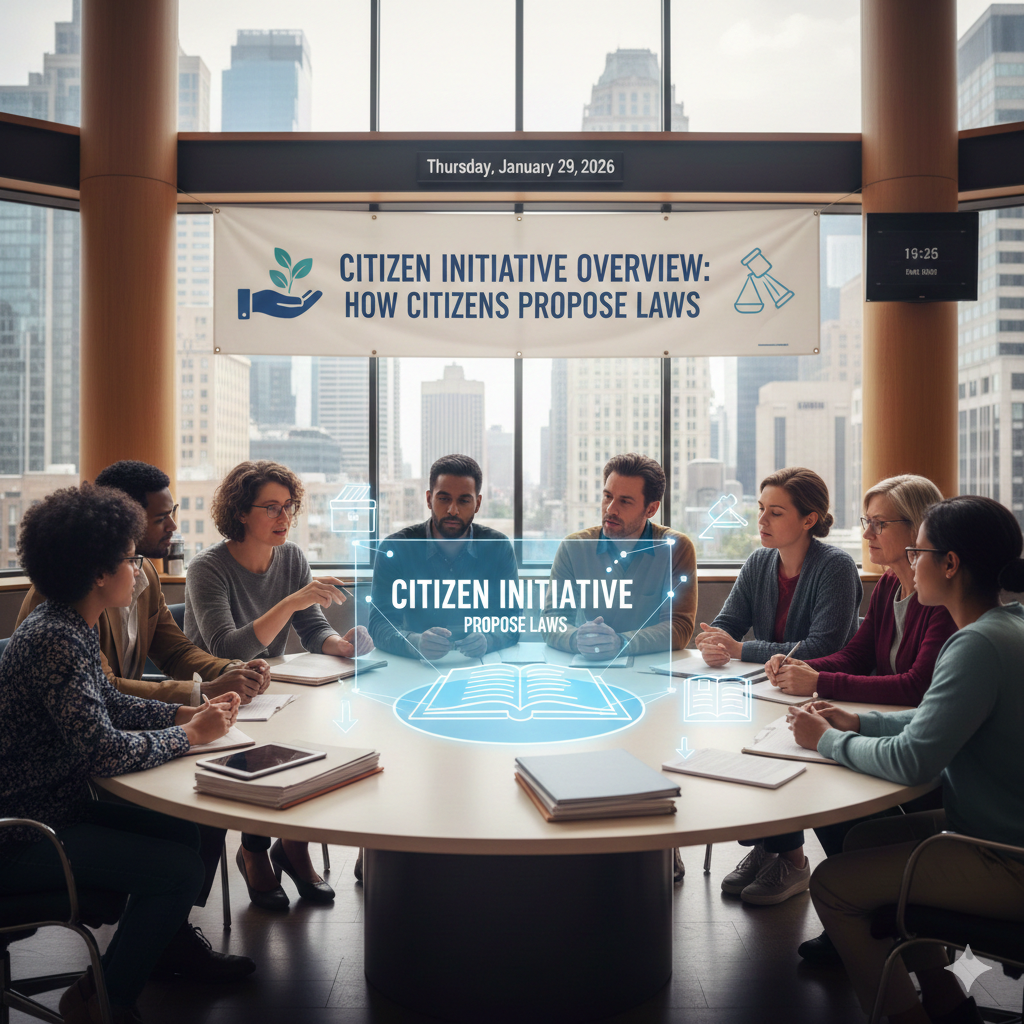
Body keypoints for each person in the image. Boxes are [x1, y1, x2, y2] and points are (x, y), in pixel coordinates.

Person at [0, 483, 240, 1024]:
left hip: (55, 807)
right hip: (22, 833)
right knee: (178, 869)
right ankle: (107, 1003)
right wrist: (192, 737)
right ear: (100, 574)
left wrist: (183, 715)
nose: (141, 568)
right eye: (130, 559)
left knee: (186, 832)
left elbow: (109, 701)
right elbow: (102, 752)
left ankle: (112, 977)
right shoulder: (55, 640)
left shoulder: (68, 625)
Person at [788, 495, 1024, 1024]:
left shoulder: (975, 645)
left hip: (1006, 859)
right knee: (868, 838)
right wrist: (860, 721)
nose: (909, 563)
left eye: (918, 550)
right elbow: (944, 720)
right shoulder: (1008, 625)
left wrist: (823, 741)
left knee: (832, 885)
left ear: (949, 563)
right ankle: (944, 1002)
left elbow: (915, 760)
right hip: (1002, 831)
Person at [764, 474, 958, 963]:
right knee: (827, 790)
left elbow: (915, 685)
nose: (867, 534)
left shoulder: (941, 600)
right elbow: (856, 652)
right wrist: (803, 668)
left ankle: (863, 913)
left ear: (918, 530)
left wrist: (821, 684)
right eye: (865, 522)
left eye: (879, 524)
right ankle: (862, 913)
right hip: (889, 724)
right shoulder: (891, 581)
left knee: (835, 796)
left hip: (928, 750)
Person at [184, 460, 372, 910]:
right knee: (275, 747)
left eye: (289, 507)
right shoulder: (206, 569)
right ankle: (253, 851)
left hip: (273, 692)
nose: (284, 518)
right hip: (218, 697)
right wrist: (291, 600)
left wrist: (339, 645)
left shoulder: (291, 558)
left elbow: (312, 628)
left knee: (314, 738)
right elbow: (227, 647)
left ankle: (293, 845)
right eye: (271, 507)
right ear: (241, 512)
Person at [694, 467, 862, 906]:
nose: (762, 522)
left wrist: (739, 650)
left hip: (822, 696)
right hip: (770, 691)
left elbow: (823, 644)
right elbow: (730, 624)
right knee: (735, 743)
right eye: (760, 510)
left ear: (809, 519)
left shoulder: (837, 566)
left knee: (768, 751)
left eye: (775, 512)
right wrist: (713, 641)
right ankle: (772, 850)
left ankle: (792, 860)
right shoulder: (759, 561)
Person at [545, 452, 697, 659]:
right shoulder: (574, 547)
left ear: (651, 509)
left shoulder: (676, 548)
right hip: (589, 665)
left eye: (625, 502)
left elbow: (679, 628)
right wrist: (577, 639)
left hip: (651, 671)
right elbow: (552, 620)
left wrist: (622, 643)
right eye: (607, 496)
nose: (610, 509)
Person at [368, 454, 519, 660]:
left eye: (464, 500)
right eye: (444, 498)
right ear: (429, 499)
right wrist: (416, 642)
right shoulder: (396, 547)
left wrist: (489, 639)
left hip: (480, 666)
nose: (452, 510)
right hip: (414, 667)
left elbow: (512, 621)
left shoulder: (498, 547)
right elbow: (379, 625)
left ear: (478, 503)